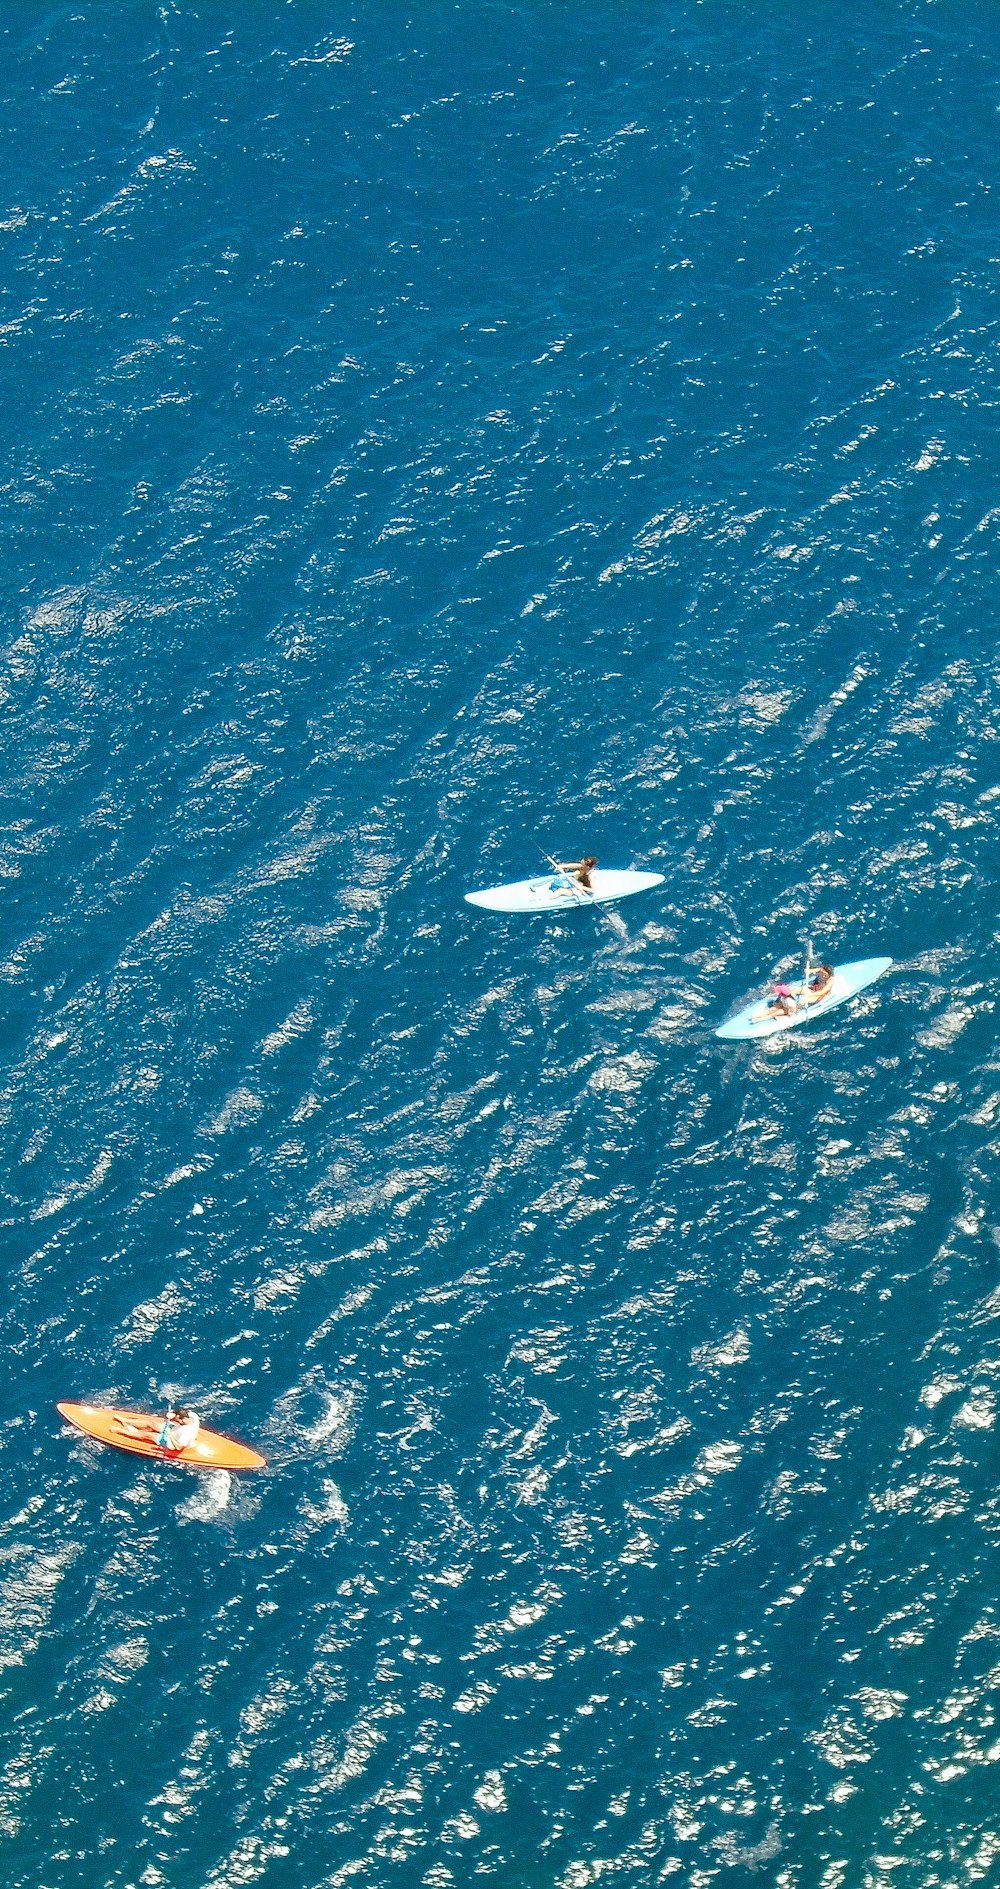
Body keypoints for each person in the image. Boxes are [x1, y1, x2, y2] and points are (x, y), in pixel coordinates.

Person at [112, 1405, 201, 1451]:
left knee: (148, 1435)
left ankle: (120, 1431)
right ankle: (124, 1420)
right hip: (174, 1430)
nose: (177, 1421)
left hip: (171, 1442)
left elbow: (179, 1447)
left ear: (184, 1419)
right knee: (150, 1423)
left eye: (179, 1420)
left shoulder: (188, 1432)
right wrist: (172, 1415)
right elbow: (179, 1416)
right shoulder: (193, 1416)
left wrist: (170, 1435)